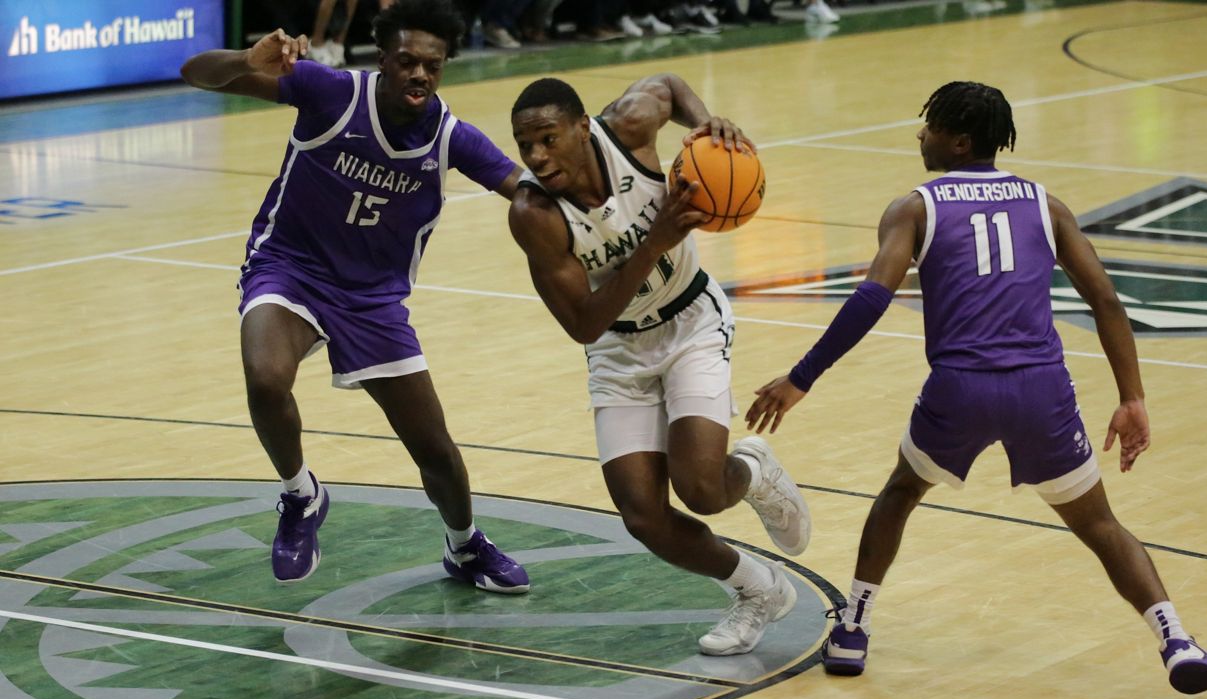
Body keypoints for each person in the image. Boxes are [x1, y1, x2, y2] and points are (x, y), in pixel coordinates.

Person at [746, 81, 1207, 699]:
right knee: (1099, 523)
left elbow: (871, 297)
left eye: (930, 126)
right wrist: (1132, 397)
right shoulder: (1046, 204)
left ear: (959, 140)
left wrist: (801, 377)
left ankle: (853, 628)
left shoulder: (914, 207)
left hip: (961, 387)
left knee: (901, 492)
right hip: (1042, 389)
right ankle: (1177, 640)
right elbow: (1105, 299)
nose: (921, 135)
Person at [179, 0, 530, 594]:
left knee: (434, 449)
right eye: (407, 61)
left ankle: (466, 545)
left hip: (371, 300)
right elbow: (196, 73)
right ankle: (300, 497)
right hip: (290, 268)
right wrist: (246, 58)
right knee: (265, 377)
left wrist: (592, 202)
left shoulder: (449, 138)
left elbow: (523, 188)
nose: (419, 74)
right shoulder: (330, 92)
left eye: (432, 66)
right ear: (383, 59)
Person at [508, 75, 812, 655]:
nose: (537, 157)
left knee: (701, 488)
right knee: (644, 516)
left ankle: (752, 473)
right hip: (617, 349)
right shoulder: (534, 212)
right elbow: (583, 325)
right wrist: (653, 241)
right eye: (525, 146)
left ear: (582, 128)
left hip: (690, 321)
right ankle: (758, 589)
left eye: (547, 139)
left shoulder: (629, 125)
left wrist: (705, 122)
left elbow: (669, 86)